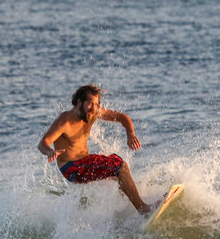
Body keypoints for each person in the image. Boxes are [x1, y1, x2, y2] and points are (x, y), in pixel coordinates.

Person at [38, 84, 153, 214]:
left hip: (84, 161)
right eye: (90, 103)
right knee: (120, 167)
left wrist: (130, 133)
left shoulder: (92, 114)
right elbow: (43, 143)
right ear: (79, 102)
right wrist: (50, 152)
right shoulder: (65, 122)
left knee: (117, 165)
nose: (93, 108)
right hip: (71, 168)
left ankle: (127, 208)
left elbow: (122, 118)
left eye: (96, 104)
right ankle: (143, 210)